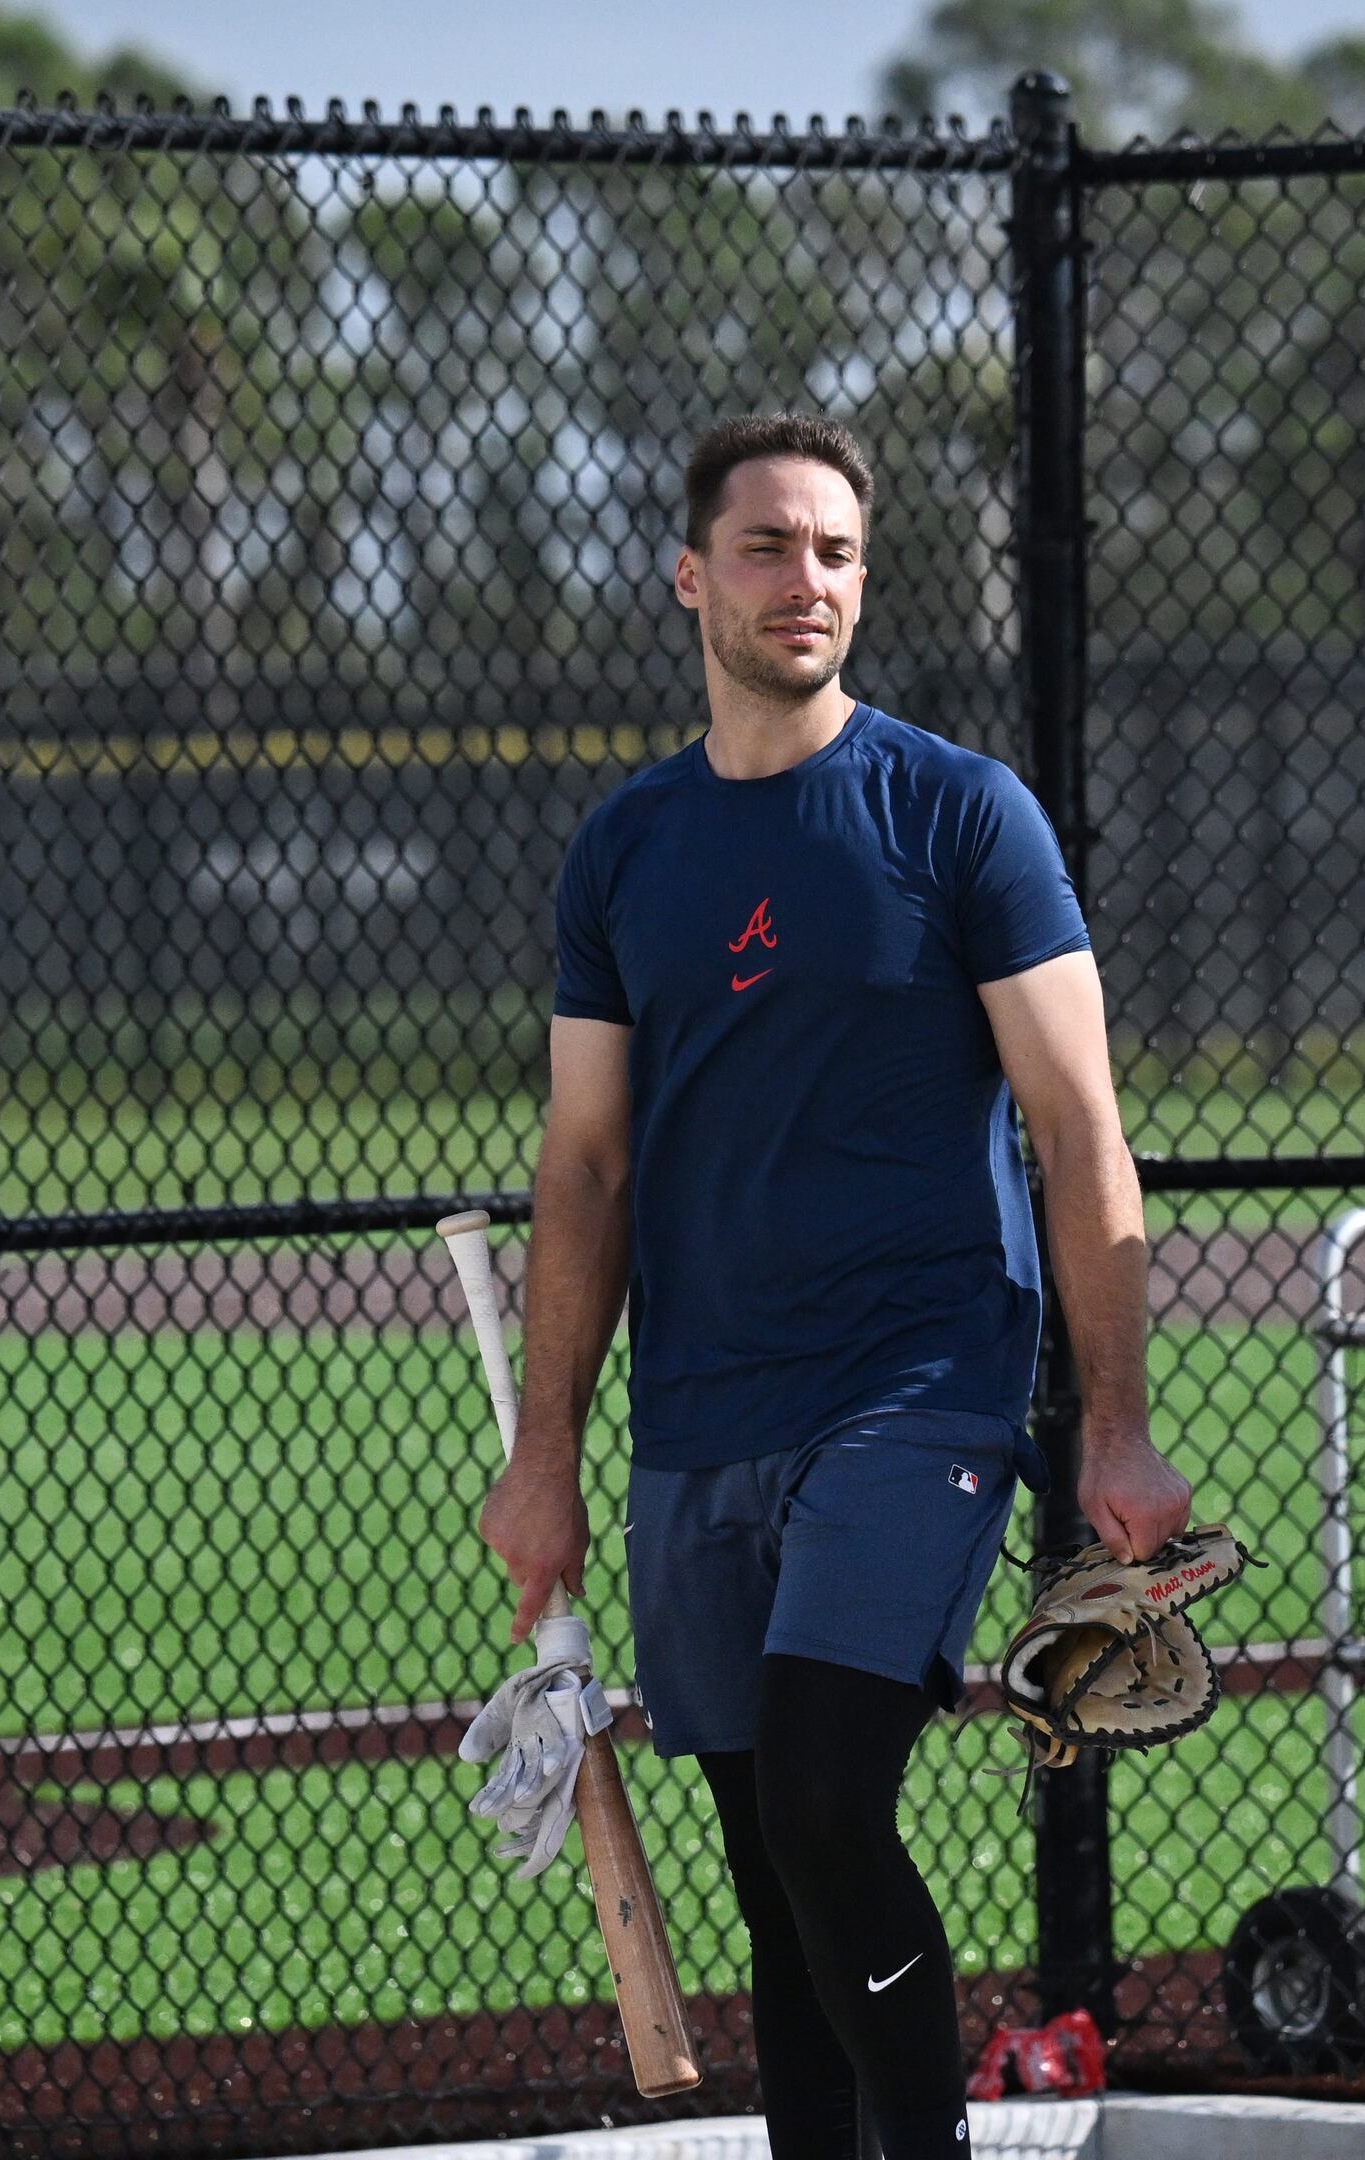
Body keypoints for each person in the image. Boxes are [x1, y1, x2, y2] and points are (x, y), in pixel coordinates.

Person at [476, 412, 1193, 2160]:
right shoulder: (625, 848)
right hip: (701, 1415)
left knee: (817, 1795)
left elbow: (1079, 1127)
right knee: (768, 1866)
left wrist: (1115, 1429)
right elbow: (584, 1170)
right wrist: (545, 1459)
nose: (809, 581)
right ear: (689, 576)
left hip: (920, 1391)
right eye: (770, 547)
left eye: (838, 553)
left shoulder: (960, 813)